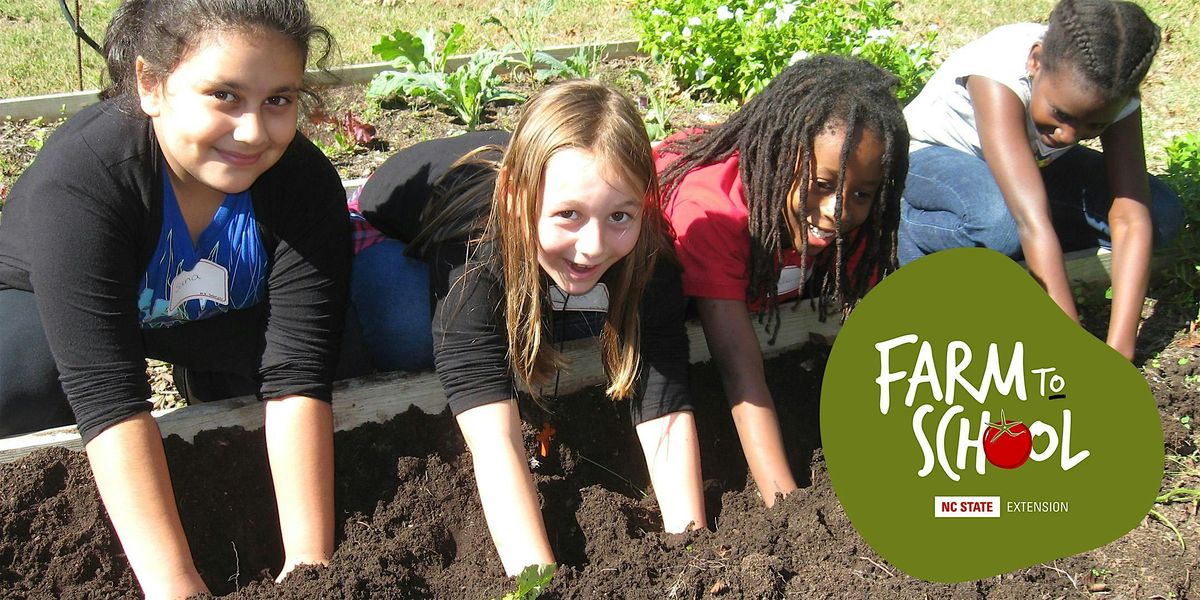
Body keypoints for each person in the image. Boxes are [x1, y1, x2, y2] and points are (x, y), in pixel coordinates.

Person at [0, 0, 348, 596]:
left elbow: (298, 373)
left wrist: (310, 571)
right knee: (21, 386)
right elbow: (107, 393)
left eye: (278, 100)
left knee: (350, 358)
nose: (252, 131)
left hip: (210, 310)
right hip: (59, 308)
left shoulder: (303, 182)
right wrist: (177, 587)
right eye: (224, 95)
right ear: (150, 84)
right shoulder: (88, 174)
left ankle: (205, 378)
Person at [347, 79, 705, 575]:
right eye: (569, 215)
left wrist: (690, 549)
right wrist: (535, 581)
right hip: (385, 231)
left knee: (580, 304)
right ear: (518, 197)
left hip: (526, 245)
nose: (593, 245)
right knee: (409, 329)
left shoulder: (647, 251)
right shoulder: (475, 249)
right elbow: (494, 437)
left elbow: (665, 402)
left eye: (619, 215)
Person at [657, 56, 909, 506]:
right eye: (821, 184)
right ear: (777, 158)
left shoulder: (852, 217)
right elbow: (739, 368)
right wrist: (788, 505)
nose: (837, 211)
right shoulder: (714, 211)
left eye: (861, 194)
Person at [898, 0, 1183, 360]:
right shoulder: (997, 71)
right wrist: (1072, 350)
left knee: (1161, 216)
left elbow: (1131, 217)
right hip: (931, 161)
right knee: (1001, 227)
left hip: (1029, 171)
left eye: (1094, 125)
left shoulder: (1113, 87)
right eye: (1060, 114)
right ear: (1035, 61)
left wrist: (1119, 352)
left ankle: (1019, 257)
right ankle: (901, 223)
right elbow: (1030, 220)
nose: (1068, 135)